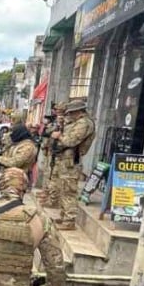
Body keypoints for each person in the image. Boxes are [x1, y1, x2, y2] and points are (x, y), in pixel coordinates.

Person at [49, 98, 95, 230]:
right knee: (63, 189)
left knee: (69, 191)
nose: (70, 115)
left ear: (79, 111)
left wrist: (59, 136)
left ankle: (69, 221)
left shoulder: (84, 123)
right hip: (65, 160)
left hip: (71, 162)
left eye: (72, 113)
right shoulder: (76, 122)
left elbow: (71, 141)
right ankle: (64, 216)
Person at [38, 101, 68, 208]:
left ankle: (53, 200)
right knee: (48, 175)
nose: (56, 112)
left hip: (60, 154)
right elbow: (47, 133)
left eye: (58, 110)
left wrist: (58, 125)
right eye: (56, 110)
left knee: (54, 178)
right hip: (52, 150)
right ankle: (47, 194)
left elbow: (61, 135)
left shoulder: (65, 121)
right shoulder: (55, 121)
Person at [0, 113, 38, 184]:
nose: (11, 135)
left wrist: (0, 159)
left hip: (18, 180)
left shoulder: (27, 146)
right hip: (9, 178)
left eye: (13, 132)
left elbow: (15, 162)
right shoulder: (17, 143)